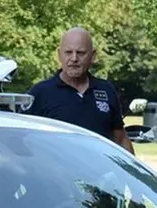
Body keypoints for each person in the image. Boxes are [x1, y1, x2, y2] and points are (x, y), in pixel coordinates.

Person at [23, 27, 135, 155]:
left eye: (81, 53)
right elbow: (23, 140)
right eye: (68, 52)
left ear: (93, 56)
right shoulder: (40, 93)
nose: (74, 58)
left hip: (98, 173)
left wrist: (134, 172)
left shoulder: (106, 90)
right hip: (57, 172)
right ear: (59, 55)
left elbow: (120, 140)